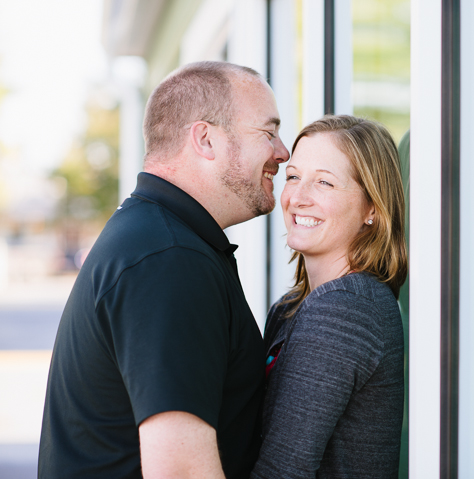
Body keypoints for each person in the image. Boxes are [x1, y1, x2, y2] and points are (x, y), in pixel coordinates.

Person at [39, 61, 290, 478]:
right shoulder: (170, 260)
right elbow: (181, 472)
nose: (283, 152)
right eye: (268, 132)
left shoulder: (156, 239)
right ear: (205, 139)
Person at [251, 115, 407, 478]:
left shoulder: (346, 308)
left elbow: (282, 471)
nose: (298, 198)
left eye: (324, 182)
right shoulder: (294, 306)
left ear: (372, 208)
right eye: (293, 176)